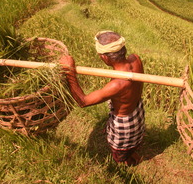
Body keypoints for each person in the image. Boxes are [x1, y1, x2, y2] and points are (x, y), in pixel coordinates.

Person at [59, 31, 145, 166]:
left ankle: (128, 162)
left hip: (124, 124)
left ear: (105, 58)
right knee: (133, 143)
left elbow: (83, 101)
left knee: (122, 152)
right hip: (137, 111)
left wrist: (69, 72)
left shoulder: (117, 84)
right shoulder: (136, 59)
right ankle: (133, 155)